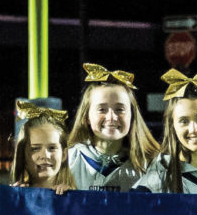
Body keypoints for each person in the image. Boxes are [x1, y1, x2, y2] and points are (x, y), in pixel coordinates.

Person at [64, 62, 159, 191]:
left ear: (132, 116)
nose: (111, 117)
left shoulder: (152, 164)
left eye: (120, 109)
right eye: (102, 109)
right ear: (86, 117)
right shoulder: (68, 160)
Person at [11, 102, 75, 190]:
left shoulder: (78, 197)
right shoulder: (15, 196)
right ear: (23, 155)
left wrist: (72, 198)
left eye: (52, 148)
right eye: (35, 148)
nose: (45, 155)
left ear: (64, 154)